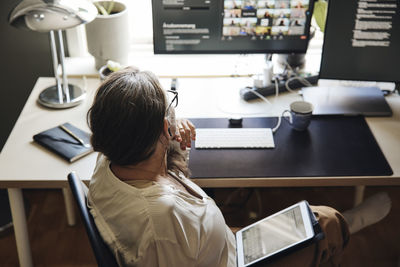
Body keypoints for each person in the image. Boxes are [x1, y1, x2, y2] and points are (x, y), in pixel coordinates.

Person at [87, 67, 391, 267]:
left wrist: (171, 138)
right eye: (171, 107)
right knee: (326, 224)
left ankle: (342, 224)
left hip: (223, 243)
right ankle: (348, 225)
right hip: (230, 260)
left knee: (308, 217)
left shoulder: (109, 159)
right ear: (163, 129)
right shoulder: (164, 222)